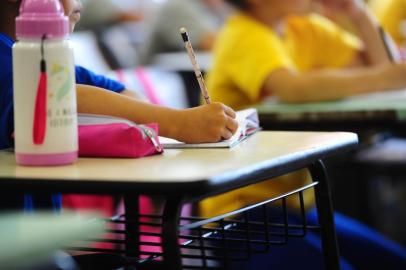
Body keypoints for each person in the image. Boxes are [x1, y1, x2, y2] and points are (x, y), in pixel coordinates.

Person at [201, 0, 406, 269]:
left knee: (395, 262)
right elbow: (289, 86)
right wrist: (382, 77)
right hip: (242, 217)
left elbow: (385, 66)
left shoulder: (303, 28)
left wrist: (358, 13)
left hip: (298, 207)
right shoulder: (242, 34)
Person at [0, 0, 238, 210]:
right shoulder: (7, 58)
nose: (81, 5)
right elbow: (57, 94)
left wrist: (160, 119)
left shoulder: (49, 59)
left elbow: (126, 94)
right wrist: (177, 123)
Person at [139, 0, 230, 64]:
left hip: (183, 77)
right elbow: (210, 43)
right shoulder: (177, 5)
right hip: (157, 81)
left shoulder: (204, 6)